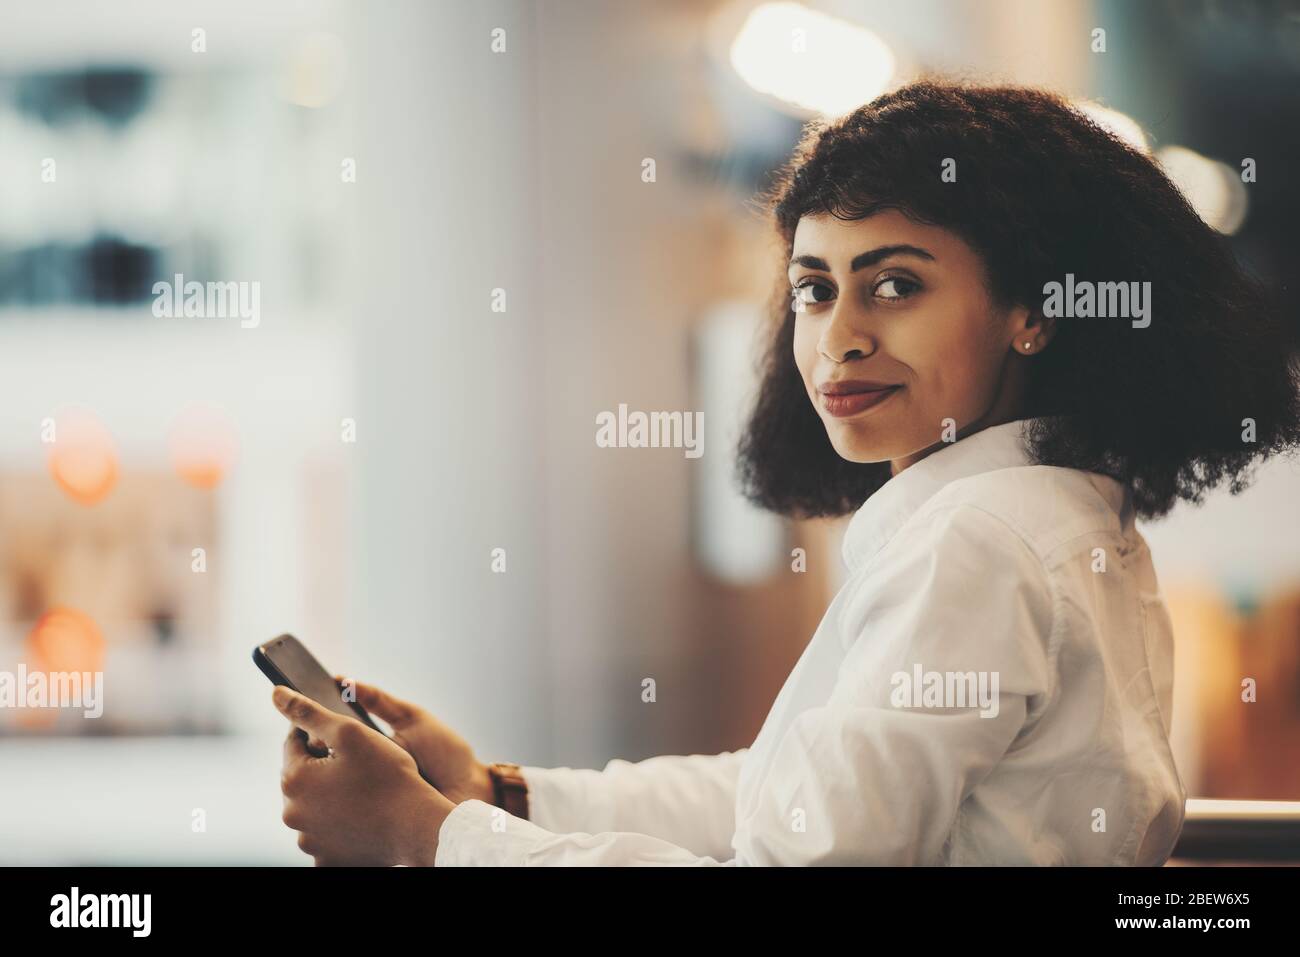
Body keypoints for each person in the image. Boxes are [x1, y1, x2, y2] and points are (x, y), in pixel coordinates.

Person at [272, 80, 1300, 866]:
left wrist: (428, 837)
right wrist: (497, 795)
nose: (836, 340)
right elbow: (793, 798)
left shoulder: (976, 546)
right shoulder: (1053, 516)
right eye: (813, 290)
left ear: (1032, 312)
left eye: (894, 285)